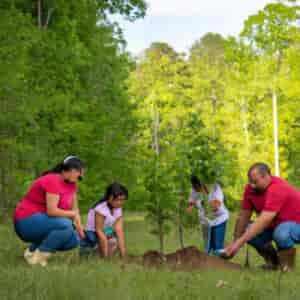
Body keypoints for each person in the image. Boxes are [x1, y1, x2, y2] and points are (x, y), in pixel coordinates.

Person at [225, 162, 300, 271]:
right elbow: (243, 216)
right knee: (246, 228)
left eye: (255, 182)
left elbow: (263, 221)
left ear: (266, 177)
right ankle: (274, 262)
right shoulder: (250, 189)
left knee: (281, 233)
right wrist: (235, 242)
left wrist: (238, 244)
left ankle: (287, 267)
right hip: (276, 225)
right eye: (250, 181)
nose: (251, 185)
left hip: (296, 224)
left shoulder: (277, 188)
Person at [14, 156, 85, 267]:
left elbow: (75, 209)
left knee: (74, 240)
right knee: (66, 225)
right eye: (78, 174)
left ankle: (30, 252)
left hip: (42, 222)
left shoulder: (72, 185)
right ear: (71, 170)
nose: (80, 177)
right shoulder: (53, 180)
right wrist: (72, 215)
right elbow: (52, 211)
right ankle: (37, 259)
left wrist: (80, 229)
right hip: (26, 221)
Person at [80, 182, 128, 259]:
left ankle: (104, 254)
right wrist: (105, 256)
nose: (120, 203)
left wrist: (123, 254)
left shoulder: (118, 208)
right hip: (92, 233)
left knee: (113, 241)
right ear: (109, 198)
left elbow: (119, 230)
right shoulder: (101, 209)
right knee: (89, 253)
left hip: (106, 230)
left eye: (122, 200)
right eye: (117, 200)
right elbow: (99, 230)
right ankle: (99, 254)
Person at [186, 176, 229, 254]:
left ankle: (218, 262)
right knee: (207, 246)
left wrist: (204, 203)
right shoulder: (194, 190)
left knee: (217, 245)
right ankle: (209, 261)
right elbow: (191, 203)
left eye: (196, 186)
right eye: (193, 186)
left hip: (219, 219)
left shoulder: (215, 188)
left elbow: (216, 205)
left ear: (202, 183)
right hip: (205, 222)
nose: (194, 189)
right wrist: (190, 208)